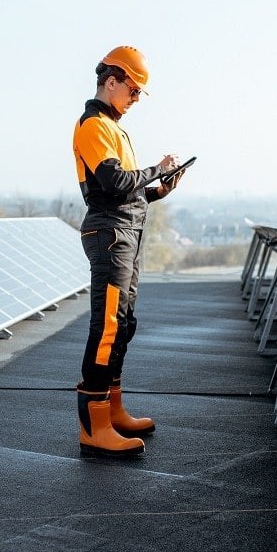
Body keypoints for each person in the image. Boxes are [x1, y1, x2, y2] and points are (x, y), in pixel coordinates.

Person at [71, 45, 185, 456]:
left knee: (123, 323)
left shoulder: (114, 128)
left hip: (126, 231)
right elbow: (116, 183)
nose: (135, 100)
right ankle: (93, 425)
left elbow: (128, 195)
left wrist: (158, 190)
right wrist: (158, 167)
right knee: (106, 327)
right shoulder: (93, 125)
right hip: (110, 235)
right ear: (111, 81)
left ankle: (113, 409)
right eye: (133, 91)